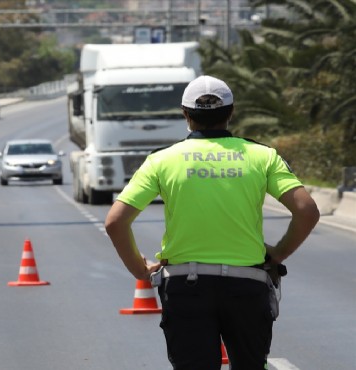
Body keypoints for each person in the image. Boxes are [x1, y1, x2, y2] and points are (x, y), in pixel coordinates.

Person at [104, 75, 320, 370]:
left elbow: (116, 222)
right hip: (248, 285)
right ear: (231, 113)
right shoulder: (263, 156)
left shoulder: (161, 160)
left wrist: (139, 270)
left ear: (185, 114)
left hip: (184, 287)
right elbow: (307, 211)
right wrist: (279, 252)